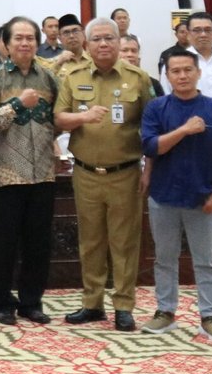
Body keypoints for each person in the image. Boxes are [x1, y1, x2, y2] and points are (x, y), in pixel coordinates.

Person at [55, 17, 155, 332]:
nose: (102, 44)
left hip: (125, 173)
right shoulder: (73, 76)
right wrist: (83, 116)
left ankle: (124, 306)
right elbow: (58, 118)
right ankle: (92, 303)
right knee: (91, 241)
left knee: (124, 243)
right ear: (86, 44)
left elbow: (152, 129)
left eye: (108, 38)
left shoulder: (138, 78)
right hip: (85, 172)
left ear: (118, 40)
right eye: (96, 39)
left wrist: (148, 169)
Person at [140, 51, 212, 342]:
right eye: (175, 71)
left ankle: (209, 317)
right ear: (167, 76)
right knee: (164, 258)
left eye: (187, 70)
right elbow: (151, 147)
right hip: (163, 197)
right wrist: (184, 130)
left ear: (198, 73)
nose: (182, 76)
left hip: (205, 198)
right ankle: (165, 312)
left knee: (206, 261)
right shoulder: (156, 108)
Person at [0, 17, 58, 327]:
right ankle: (2, 303)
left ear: (37, 42)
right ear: (6, 44)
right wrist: (16, 104)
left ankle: (31, 302)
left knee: (38, 243)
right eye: (18, 39)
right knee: (3, 244)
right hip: (6, 175)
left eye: (30, 38)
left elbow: (58, 120)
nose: (25, 43)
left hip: (43, 173)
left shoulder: (50, 78)